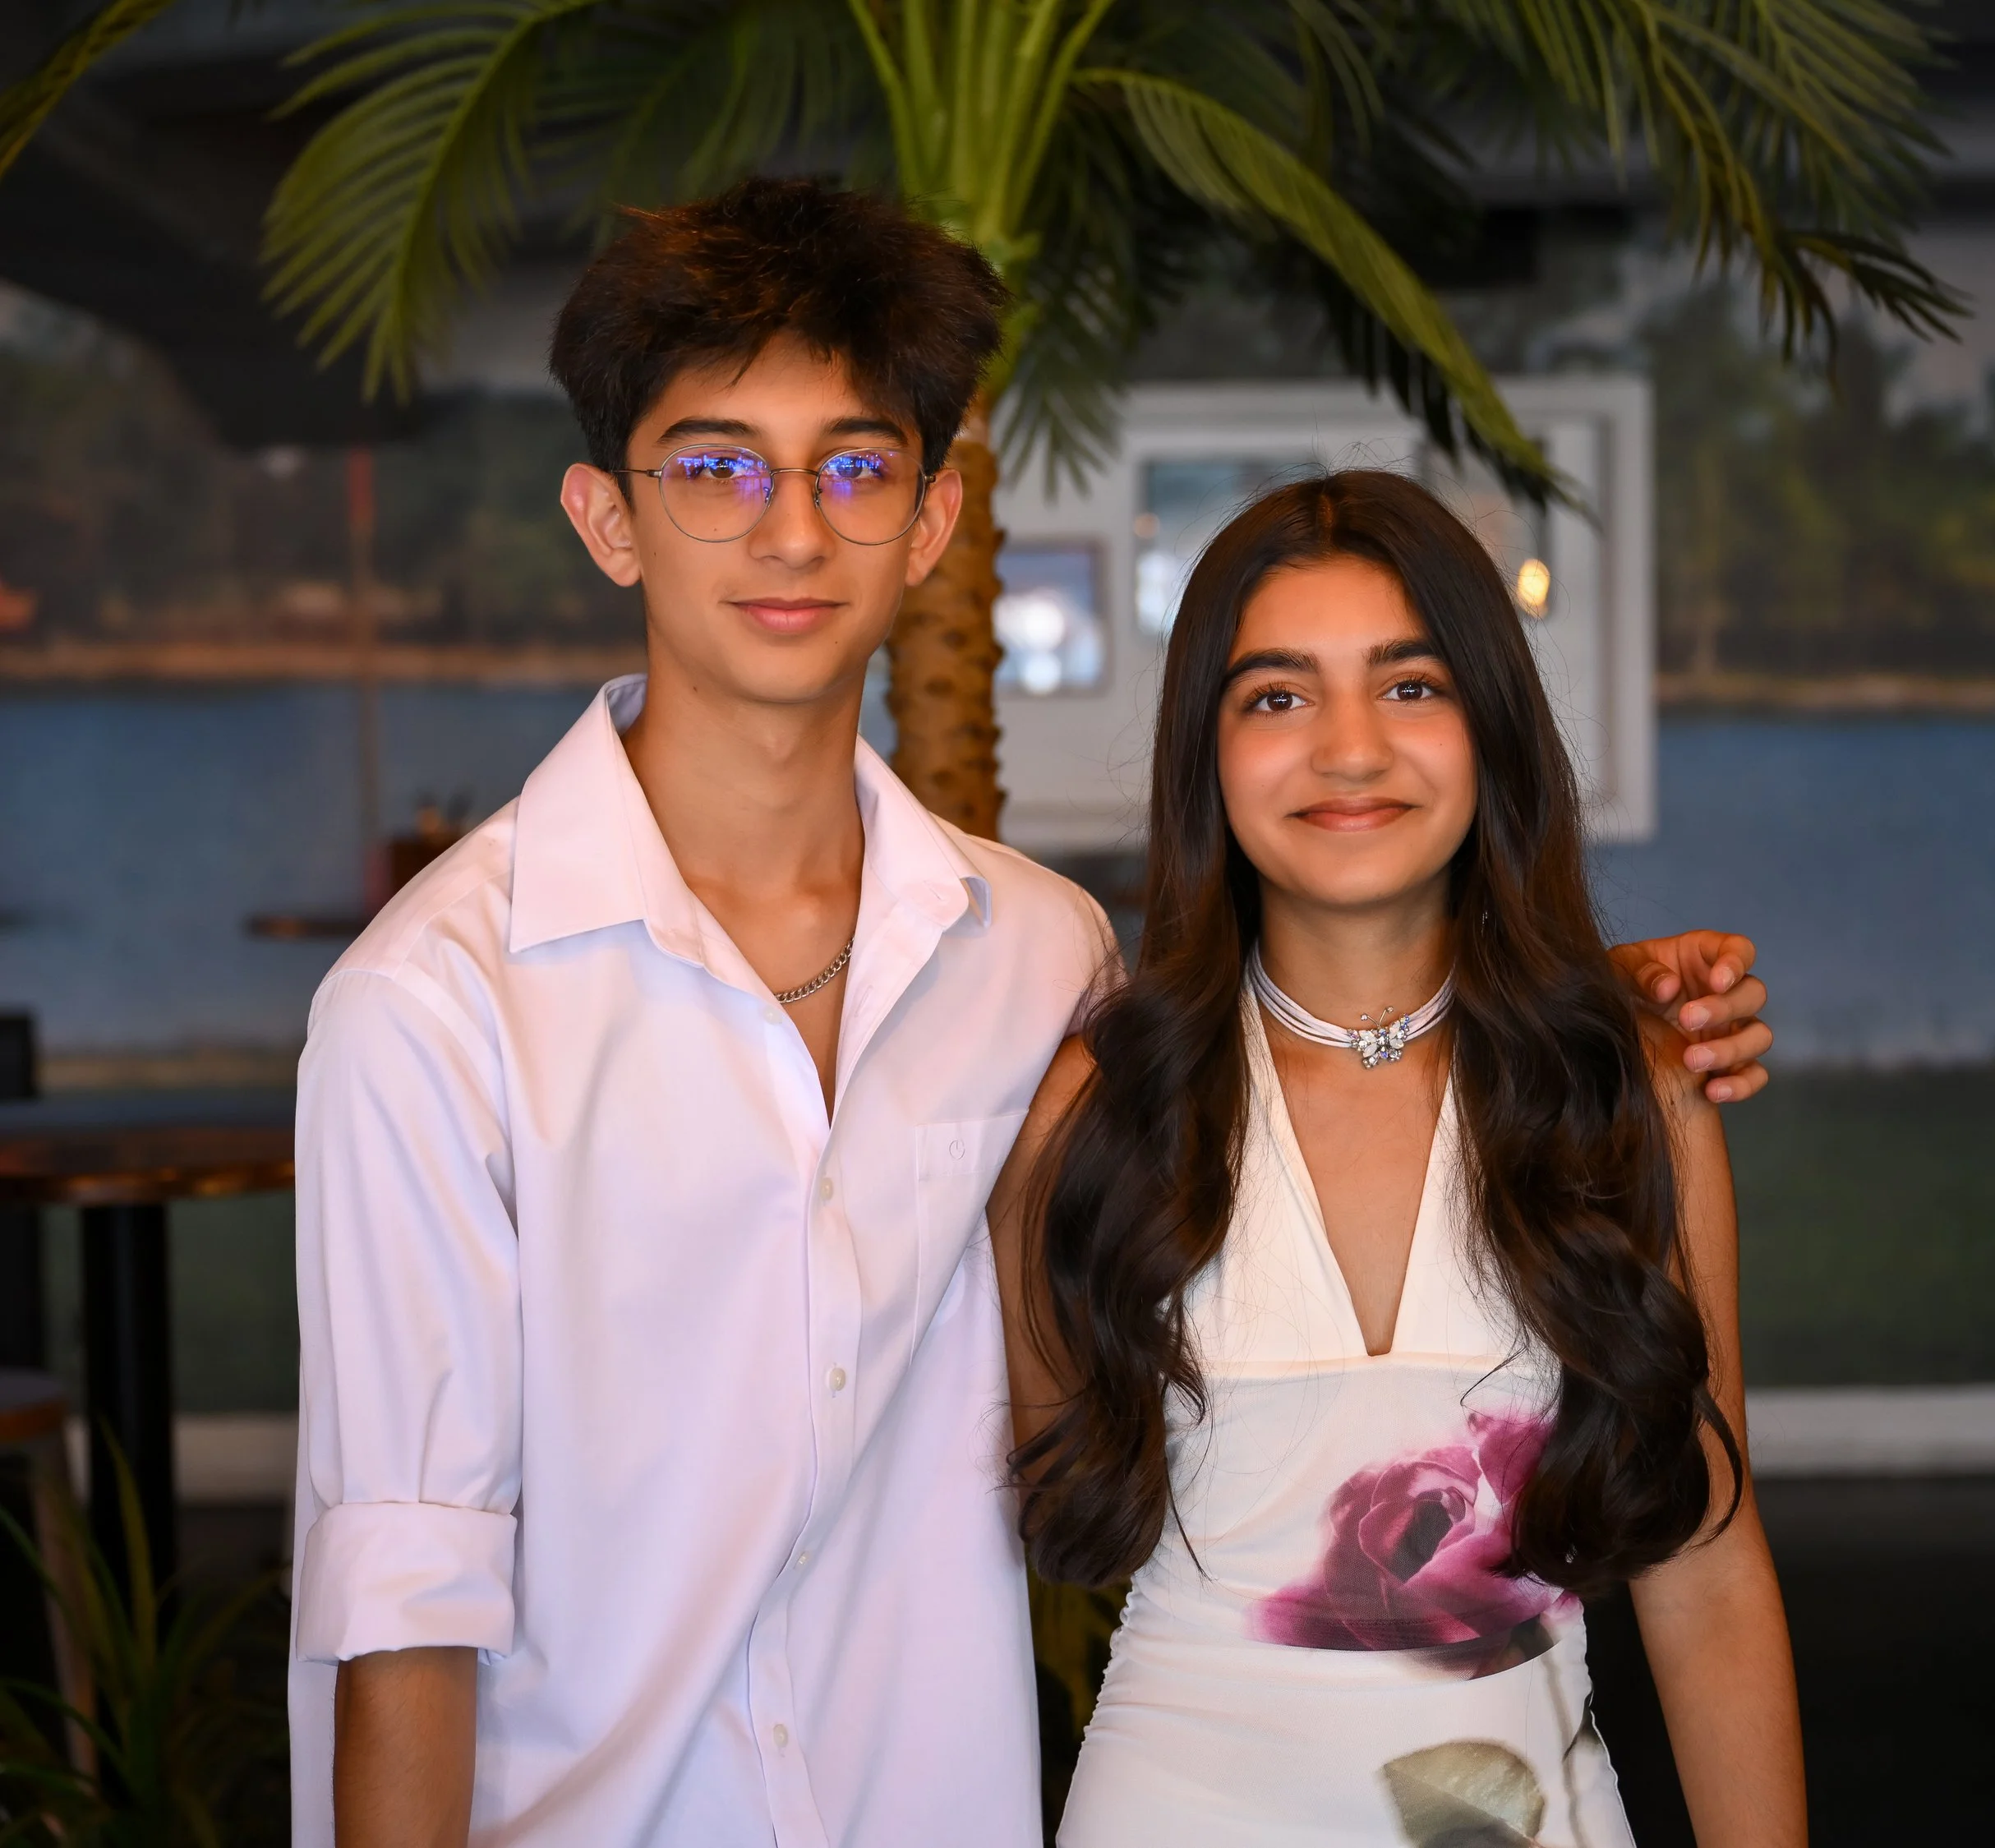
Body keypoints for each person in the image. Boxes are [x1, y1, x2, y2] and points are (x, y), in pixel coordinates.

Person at [288, 181, 1776, 1847]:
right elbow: (403, 1582)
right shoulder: (428, 1005)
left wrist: (1618, 1004)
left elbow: (1341, 1025)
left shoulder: (1034, 960)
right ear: (608, 515)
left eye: (852, 467)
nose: (791, 531)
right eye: (714, 468)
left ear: (929, 520)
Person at [993, 472, 1804, 1848]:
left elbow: (1709, 1576)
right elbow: (1051, 1505)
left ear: (1494, 727)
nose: (1350, 748)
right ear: (1207, 753)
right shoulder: (1098, 1106)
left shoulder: (1631, 1094)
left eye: (1411, 687)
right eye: (1278, 696)